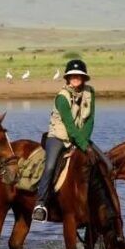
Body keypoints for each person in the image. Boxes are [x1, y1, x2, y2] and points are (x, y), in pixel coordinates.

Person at [33, 59, 96, 222]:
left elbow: (90, 121)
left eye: (79, 76)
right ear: (67, 78)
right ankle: (40, 204)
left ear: (84, 78)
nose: (75, 78)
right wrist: (83, 145)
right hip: (59, 137)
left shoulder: (90, 93)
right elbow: (69, 125)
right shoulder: (62, 97)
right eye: (72, 75)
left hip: (80, 137)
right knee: (51, 165)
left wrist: (84, 141)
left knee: (105, 164)